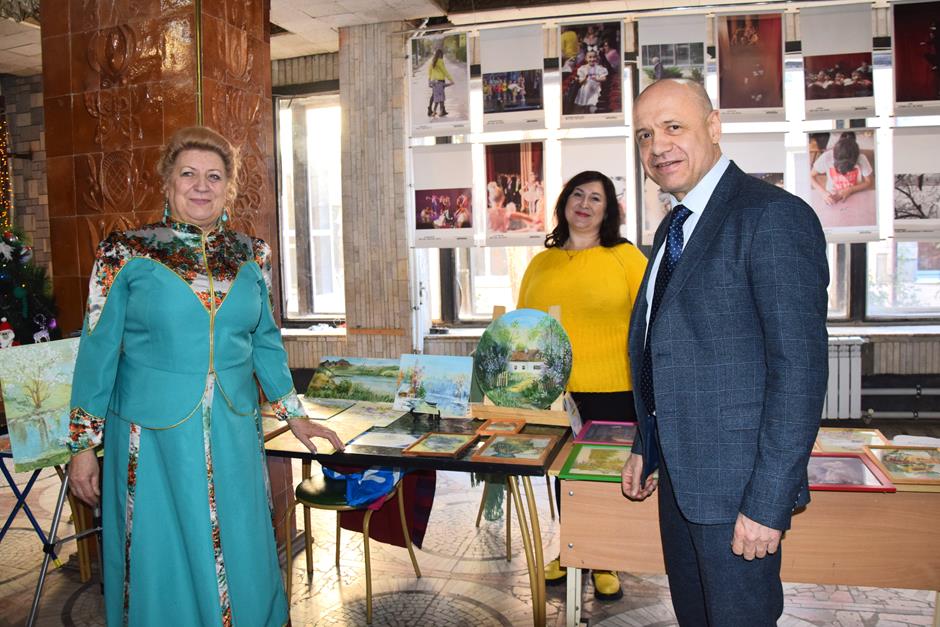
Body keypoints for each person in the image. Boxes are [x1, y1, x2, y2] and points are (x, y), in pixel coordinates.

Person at [66, 126, 344, 627]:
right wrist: (83, 444)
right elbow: (97, 350)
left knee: (241, 539)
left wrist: (294, 415)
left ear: (228, 188)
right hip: (152, 436)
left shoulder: (252, 254)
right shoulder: (125, 252)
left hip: (233, 428)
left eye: (214, 176)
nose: (201, 185)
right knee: (163, 548)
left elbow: (265, 340)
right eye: (188, 173)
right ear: (167, 182)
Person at [622, 79, 828, 626]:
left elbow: (799, 374)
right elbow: (667, 349)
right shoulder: (675, 224)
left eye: (673, 127)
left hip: (739, 493)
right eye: (645, 135)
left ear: (713, 127)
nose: (658, 146)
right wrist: (648, 443)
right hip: (680, 483)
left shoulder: (771, 216)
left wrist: (768, 502)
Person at [517, 171, 648, 601]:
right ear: (564, 203)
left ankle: (604, 558)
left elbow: (653, 318)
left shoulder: (625, 258)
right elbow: (523, 326)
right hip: (555, 393)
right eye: (578, 194)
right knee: (564, 476)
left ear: (608, 211)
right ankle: (572, 548)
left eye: (596, 198)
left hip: (615, 390)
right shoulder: (541, 263)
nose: (584, 204)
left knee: (605, 475)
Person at [811, 131, 874, 206]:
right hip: (832, 194)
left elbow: (869, 182)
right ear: (834, 156)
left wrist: (850, 190)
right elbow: (811, 176)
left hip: (855, 193)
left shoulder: (861, 158)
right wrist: (823, 193)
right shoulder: (826, 157)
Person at [427, 48, 454, 117]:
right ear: (441, 54)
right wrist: (450, 79)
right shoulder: (440, 61)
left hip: (434, 81)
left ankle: (430, 109)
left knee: (434, 95)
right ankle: (441, 111)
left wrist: (429, 81)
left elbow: (429, 71)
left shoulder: (433, 61)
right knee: (441, 96)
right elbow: (444, 71)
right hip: (440, 81)